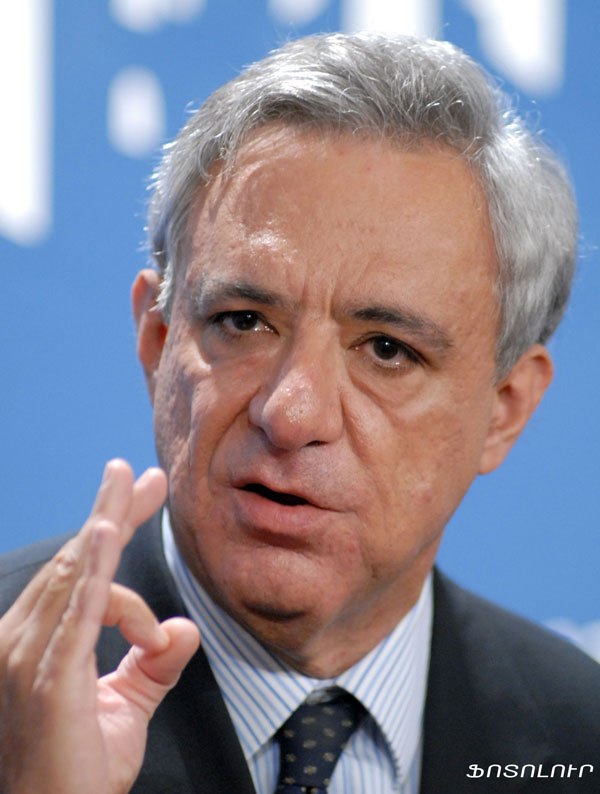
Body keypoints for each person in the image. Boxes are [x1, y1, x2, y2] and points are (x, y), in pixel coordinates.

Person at [0, 31, 598, 794]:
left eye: (387, 350)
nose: (291, 413)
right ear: (157, 341)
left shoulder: (578, 735)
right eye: (245, 322)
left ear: (504, 410)